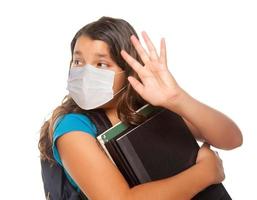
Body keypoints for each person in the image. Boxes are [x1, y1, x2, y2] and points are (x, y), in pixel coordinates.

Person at [38, 16, 243, 200]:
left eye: (101, 64)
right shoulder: (72, 127)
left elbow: (232, 139)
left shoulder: (150, 106)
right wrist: (205, 174)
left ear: (128, 69)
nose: (85, 73)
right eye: (78, 61)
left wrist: (177, 98)